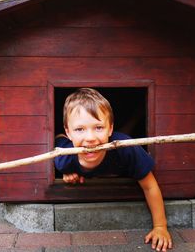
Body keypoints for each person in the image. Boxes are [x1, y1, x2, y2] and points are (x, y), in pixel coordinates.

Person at [54, 88, 172, 252]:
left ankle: (136, 116)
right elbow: (58, 139)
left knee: (124, 135)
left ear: (110, 128)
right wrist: (65, 173)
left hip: (119, 148)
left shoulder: (128, 148)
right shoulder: (64, 159)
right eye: (80, 129)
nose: (90, 138)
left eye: (99, 127)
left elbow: (150, 186)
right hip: (75, 147)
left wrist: (160, 226)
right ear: (69, 132)